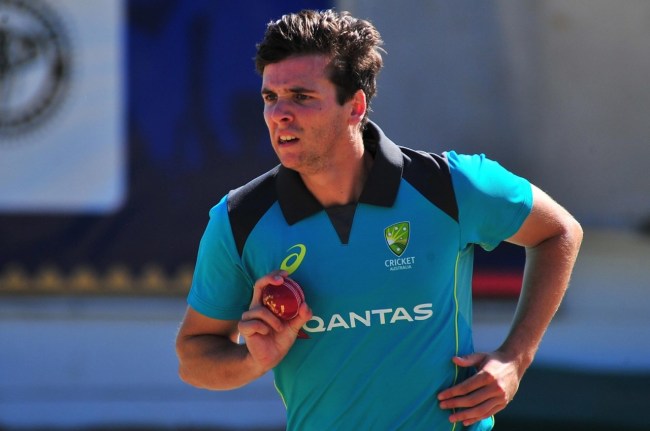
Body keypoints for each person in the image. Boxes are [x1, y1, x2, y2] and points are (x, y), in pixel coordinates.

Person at [175, 9, 583, 430]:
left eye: (301, 96)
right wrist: (252, 359)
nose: (279, 113)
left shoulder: (451, 186)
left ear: (355, 107)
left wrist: (515, 357)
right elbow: (193, 358)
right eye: (270, 97)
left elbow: (559, 232)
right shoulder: (238, 219)